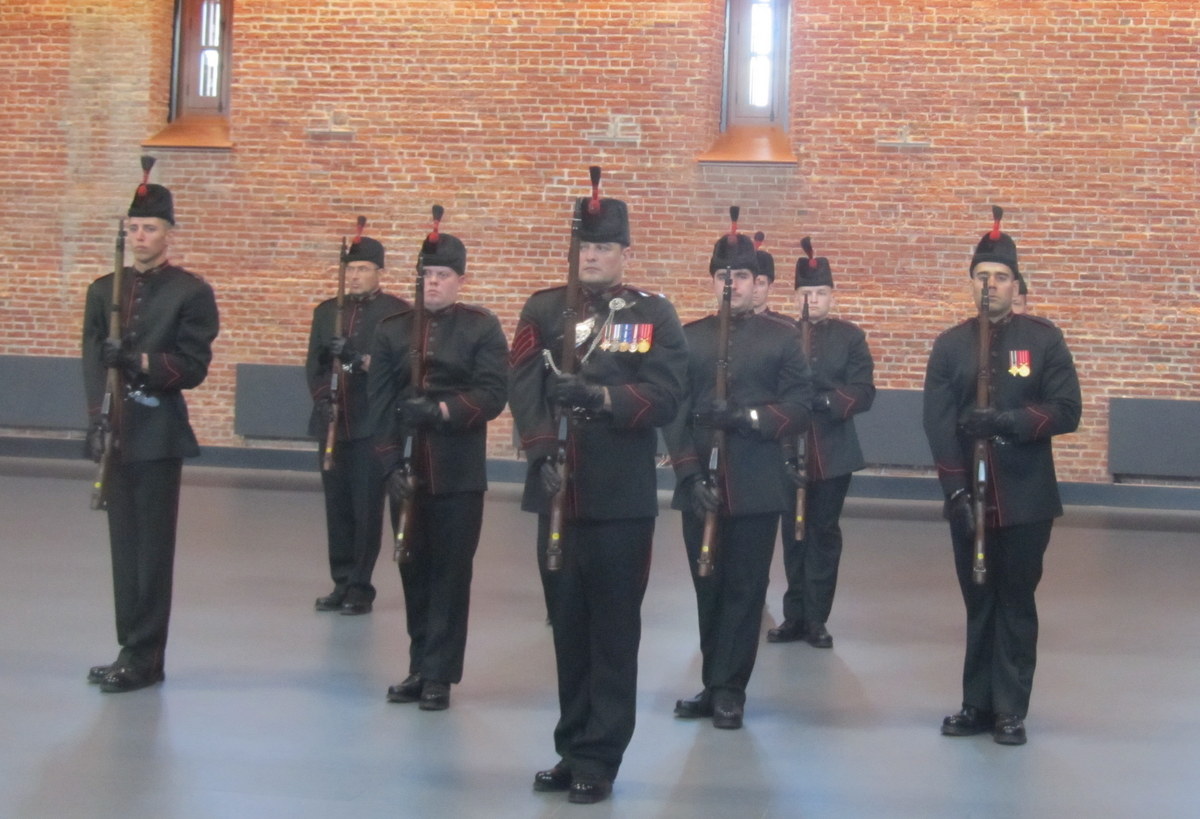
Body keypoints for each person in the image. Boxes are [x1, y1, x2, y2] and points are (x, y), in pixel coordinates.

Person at [509, 172, 687, 804]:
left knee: (612, 631)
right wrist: (540, 450)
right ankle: (570, 746)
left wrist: (601, 397)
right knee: (567, 625)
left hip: (619, 496)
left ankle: (600, 758)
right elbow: (522, 385)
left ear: (625, 252)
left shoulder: (652, 314)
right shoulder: (542, 310)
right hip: (557, 486)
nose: (592, 256)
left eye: (604, 247)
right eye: (585, 246)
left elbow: (667, 396)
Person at [922, 207, 1081, 746]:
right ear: (971, 283)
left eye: (1000, 276)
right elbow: (937, 423)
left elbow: (1067, 410)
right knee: (978, 600)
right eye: (981, 276)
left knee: (1014, 601)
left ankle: (1010, 710)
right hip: (968, 495)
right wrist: (956, 491)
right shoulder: (950, 345)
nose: (989, 285)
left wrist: (1008, 421)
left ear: (1016, 285)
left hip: (1026, 497)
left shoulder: (1043, 339)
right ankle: (976, 703)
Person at [664, 221, 812, 729]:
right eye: (723, 275)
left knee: (744, 590)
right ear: (712, 281)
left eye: (742, 276)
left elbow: (799, 408)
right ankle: (712, 682)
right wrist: (688, 474)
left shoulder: (783, 339)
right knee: (707, 585)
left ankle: (731, 689)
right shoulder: (690, 338)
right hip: (698, 486)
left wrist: (748, 417)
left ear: (756, 282)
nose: (732, 284)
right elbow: (674, 411)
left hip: (755, 483)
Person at [81, 157, 220, 693]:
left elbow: (193, 367)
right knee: (124, 549)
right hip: (117, 433)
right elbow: (91, 361)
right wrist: (96, 420)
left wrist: (139, 362)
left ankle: (146, 656)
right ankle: (129, 648)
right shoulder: (103, 291)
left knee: (152, 553)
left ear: (168, 233)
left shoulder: (189, 292)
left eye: (151, 227)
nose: (140, 236)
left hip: (158, 435)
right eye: (134, 227)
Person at [368, 214, 508, 711]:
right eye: (426, 275)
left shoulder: (480, 327)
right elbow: (377, 404)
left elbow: (492, 394)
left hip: (457, 472)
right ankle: (418, 664)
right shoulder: (393, 331)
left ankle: (440, 675)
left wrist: (443, 410)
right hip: (407, 473)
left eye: (442, 275)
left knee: (450, 574)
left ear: (460, 279)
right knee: (413, 569)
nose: (433, 283)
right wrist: (390, 465)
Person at [768, 238, 875, 648]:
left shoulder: (850, 337)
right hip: (784, 448)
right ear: (795, 296)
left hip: (832, 451)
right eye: (805, 293)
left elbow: (863, 391)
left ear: (832, 295)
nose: (811, 300)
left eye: (819, 293)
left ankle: (816, 618)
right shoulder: (779, 334)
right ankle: (793, 615)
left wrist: (827, 402)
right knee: (791, 533)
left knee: (822, 534)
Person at [306, 226, 408, 615]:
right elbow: (314, 366)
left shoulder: (396, 314)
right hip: (335, 421)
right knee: (337, 507)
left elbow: (398, 370)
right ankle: (341, 580)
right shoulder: (326, 312)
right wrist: (323, 398)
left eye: (363, 269)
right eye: (350, 269)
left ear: (379, 271)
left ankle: (360, 586)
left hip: (371, 424)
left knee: (366, 509)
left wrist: (358, 359)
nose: (354, 276)